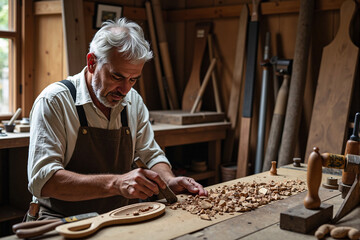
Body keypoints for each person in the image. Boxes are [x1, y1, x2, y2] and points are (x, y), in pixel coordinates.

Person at [27, 18, 207, 220]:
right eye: (117, 77)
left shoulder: (132, 100)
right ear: (92, 62)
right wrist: (117, 184)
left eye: (133, 79)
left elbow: (150, 154)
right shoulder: (54, 101)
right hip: (62, 218)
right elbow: (44, 181)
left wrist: (168, 181)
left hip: (120, 215)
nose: (124, 90)